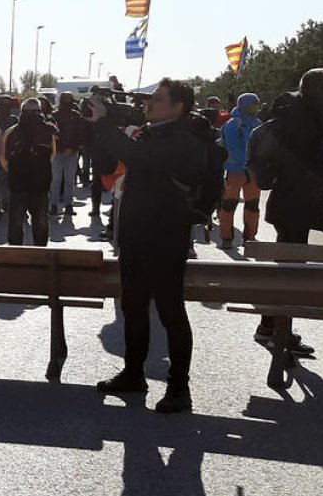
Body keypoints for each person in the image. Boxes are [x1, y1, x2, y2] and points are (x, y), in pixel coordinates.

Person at [90, 78, 206, 414]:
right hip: (136, 234)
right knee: (133, 308)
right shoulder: (150, 133)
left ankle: (179, 388)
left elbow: (141, 161)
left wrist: (106, 124)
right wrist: (101, 129)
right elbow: (109, 167)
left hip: (166, 236)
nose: (149, 104)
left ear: (178, 107)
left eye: (157, 99)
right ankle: (133, 373)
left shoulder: (185, 140)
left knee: (171, 312)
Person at [258, 68, 323, 353]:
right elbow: (296, 162)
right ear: (318, 89)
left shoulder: (308, 115)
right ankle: (276, 330)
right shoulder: (303, 119)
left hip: (293, 203)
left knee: (289, 268)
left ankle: (273, 327)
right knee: (290, 272)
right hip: (293, 203)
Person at [2, 97, 57, 246]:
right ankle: (41, 252)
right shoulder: (48, 130)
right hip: (40, 183)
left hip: (17, 183)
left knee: (16, 221)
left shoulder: (11, 132)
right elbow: (52, 155)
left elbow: (3, 158)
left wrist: (13, 171)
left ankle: (15, 254)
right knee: (40, 220)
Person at [219, 93, 262, 249]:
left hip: (252, 172)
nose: (256, 107)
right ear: (244, 105)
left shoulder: (258, 123)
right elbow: (233, 148)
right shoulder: (232, 124)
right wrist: (248, 162)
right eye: (253, 104)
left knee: (252, 205)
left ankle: (250, 237)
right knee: (229, 205)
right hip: (235, 171)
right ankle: (226, 238)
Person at [49, 92, 87, 216]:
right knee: (56, 179)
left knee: (70, 179)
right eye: (65, 98)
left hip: (72, 151)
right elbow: (53, 135)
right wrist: (61, 148)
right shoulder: (54, 115)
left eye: (69, 98)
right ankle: (53, 205)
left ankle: (69, 204)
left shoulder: (76, 116)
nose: (67, 100)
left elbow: (80, 134)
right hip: (58, 152)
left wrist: (71, 148)